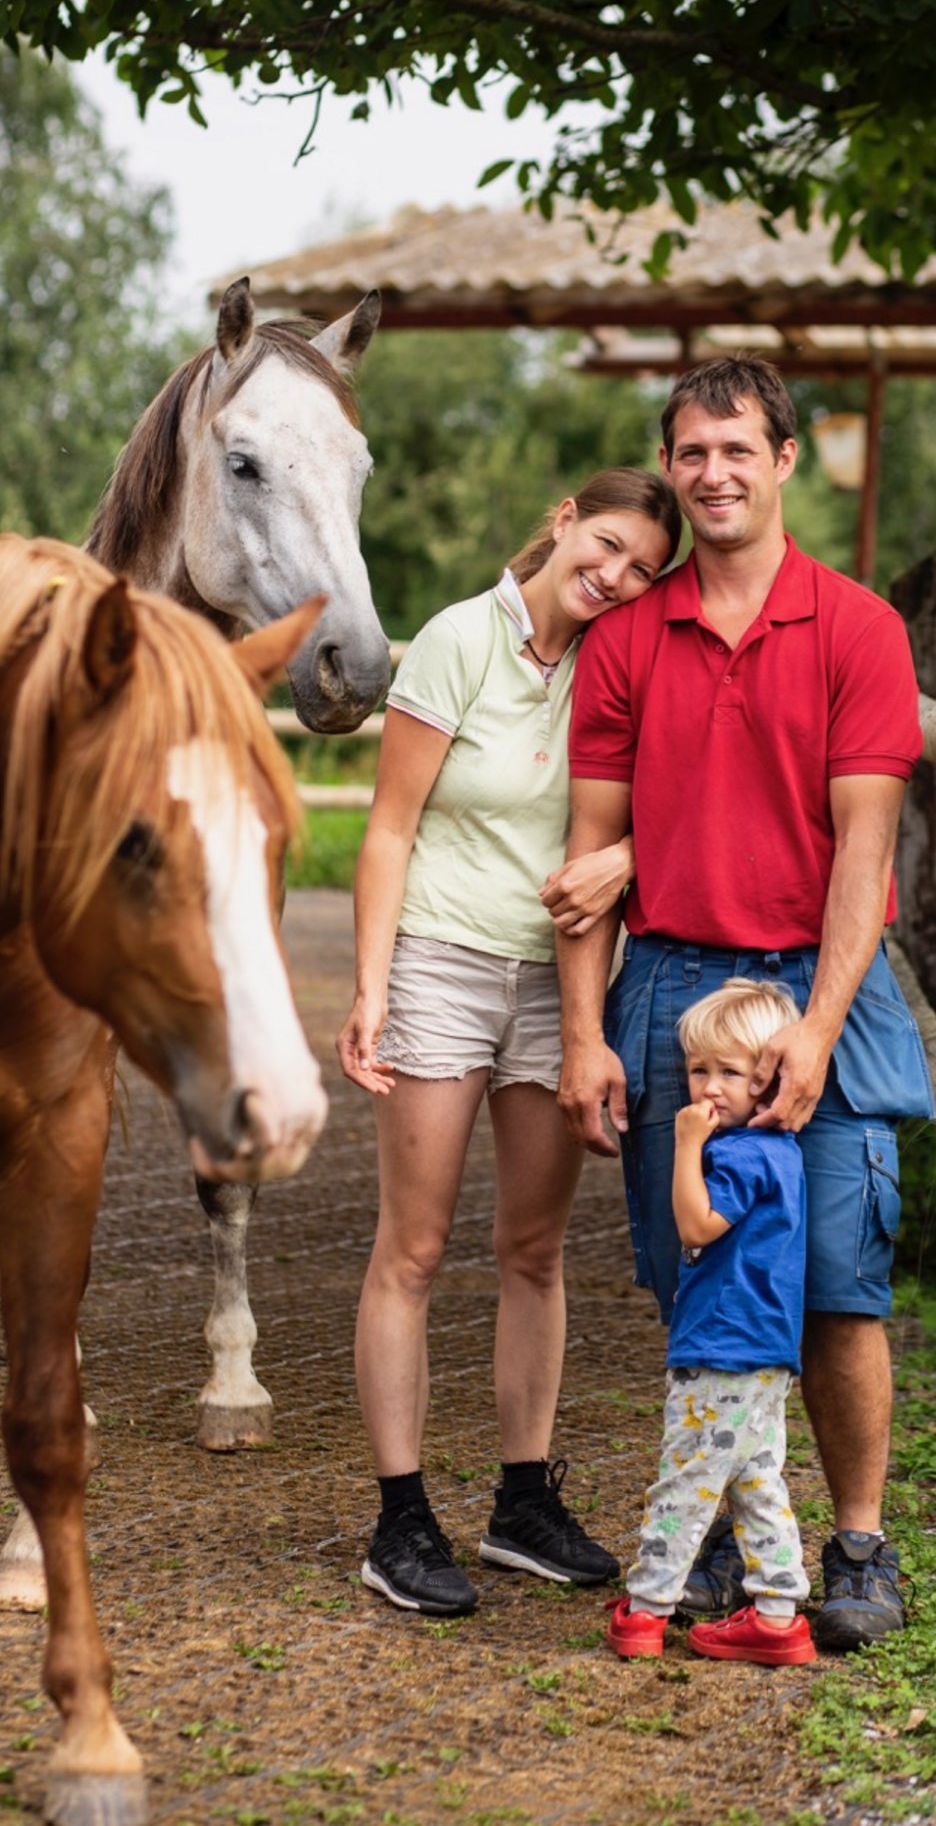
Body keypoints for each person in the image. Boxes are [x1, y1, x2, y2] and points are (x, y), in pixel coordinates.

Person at [556, 356, 936, 1653]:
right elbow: (585, 864)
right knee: (701, 1268)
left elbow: (862, 853)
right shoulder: (624, 638)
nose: (712, 471)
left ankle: (860, 1544)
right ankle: (721, 1530)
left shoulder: (857, 629)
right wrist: (586, 1031)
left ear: (783, 459)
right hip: (668, 978)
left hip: (817, 977)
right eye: (690, 451)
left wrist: (819, 1029)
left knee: (839, 1280)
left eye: (736, 447)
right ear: (673, 464)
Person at [337, 468, 682, 1617]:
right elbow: (388, 828)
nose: (617, 577)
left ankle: (521, 1501)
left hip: (557, 976)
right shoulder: (455, 640)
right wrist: (372, 984)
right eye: (608, 546)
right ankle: (398, 1519)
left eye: (640, 568)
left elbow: (659, 808)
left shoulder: (618, 660)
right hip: (439, 954)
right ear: (562, 521)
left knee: (532, 1248)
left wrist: (624, 861)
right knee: (415, 1247)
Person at [606, 979, 816, 1667]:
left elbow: (696, 1223)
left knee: (685, 1478)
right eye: (700, 1069)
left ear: (767, 1079)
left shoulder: (733, 1154)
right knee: (756, 1478)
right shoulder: (780, 1149)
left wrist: (685, 1144)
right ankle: (779, 1613)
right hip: (764, 1346)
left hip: (723, 1343)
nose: (710, 1087)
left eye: (731, 1072)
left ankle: (645, 1609)